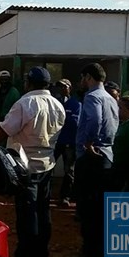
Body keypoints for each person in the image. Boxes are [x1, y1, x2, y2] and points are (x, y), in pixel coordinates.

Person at [0, 67, 65, 257]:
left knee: (27, 215)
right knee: (43, 211)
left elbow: (1, 133)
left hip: (25, 167)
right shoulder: (57, 105)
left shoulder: (25, 103)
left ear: (28, 82)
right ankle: (41, 256)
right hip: (47, 164)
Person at [68, 63, 119, 257]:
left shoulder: (92, 97)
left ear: (88, 77)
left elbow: (95, 120)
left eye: (83, 78)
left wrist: (88, 143)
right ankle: (101, 250)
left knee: (88, 208)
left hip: (91, 157)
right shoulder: (110, 98)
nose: (81, 82)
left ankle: (90, 253)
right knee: (100, 208)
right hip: (107, 155)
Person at [52, 79, 80, 207]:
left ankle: (65, 196)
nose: (61, 89)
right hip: (55, 140)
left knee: (69, 170)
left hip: (69, 141)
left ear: (70, 88)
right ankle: (47, 194)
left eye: (64, 87)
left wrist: (62, 118)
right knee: (48, 167)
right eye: (59, 87)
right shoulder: (54, 103)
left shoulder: (75, 103)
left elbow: (75, 123)